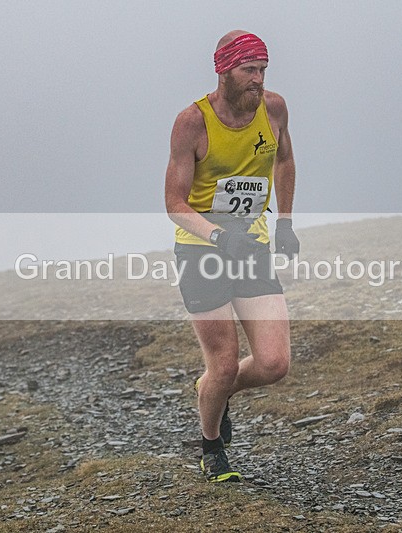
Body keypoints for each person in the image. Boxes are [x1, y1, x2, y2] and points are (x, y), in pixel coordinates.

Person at [164, 30, 300, 482]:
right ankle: (211, 446)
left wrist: (284, 223)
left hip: (253, 248)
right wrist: (220, 237)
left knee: (273, 364)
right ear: (224, 70)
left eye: (263, 70)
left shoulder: (274, 109)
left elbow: (283, 160)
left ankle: (210, 392)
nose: (258, 81)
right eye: (249, 71)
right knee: (223, 361)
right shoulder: (193, 122)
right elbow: (175, 205)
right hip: (202, 252)